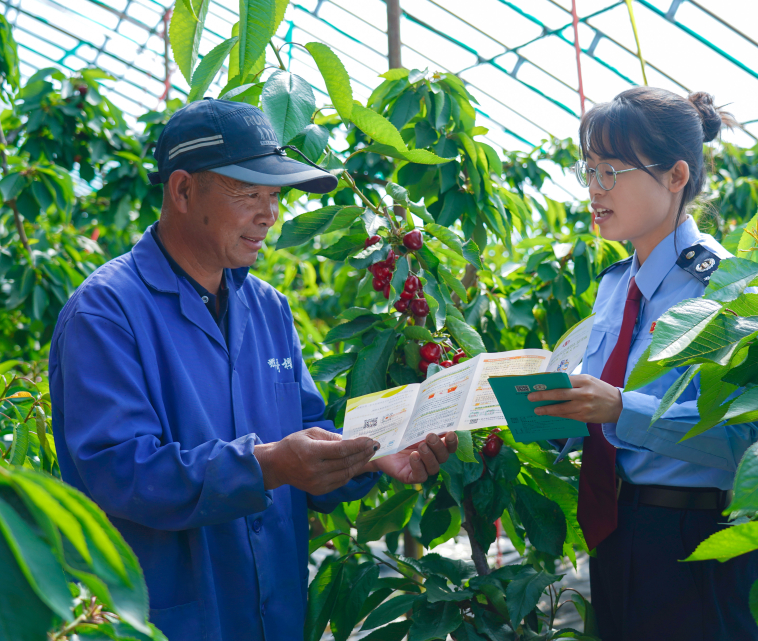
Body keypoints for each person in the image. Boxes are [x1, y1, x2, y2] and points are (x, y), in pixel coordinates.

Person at [49, 99, 458, 641]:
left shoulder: (268, 308)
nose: (269, 215)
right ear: (183, 190)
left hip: (275, 616)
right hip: (170, 622)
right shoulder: (106, 312)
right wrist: (267, 466)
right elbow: (120, 472)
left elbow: (306, 432)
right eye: (249, 194)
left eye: (275, 196)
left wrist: (372, 453)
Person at [527, 87, 758, 641]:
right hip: (617, 528)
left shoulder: (727, 289)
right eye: (589, 170)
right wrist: (549, 413)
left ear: (676, 176)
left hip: (696, 536)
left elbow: (748, 441)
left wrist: (619, 408)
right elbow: (601, 413)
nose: (595, 188)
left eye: (612, 171)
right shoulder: (615, 286)